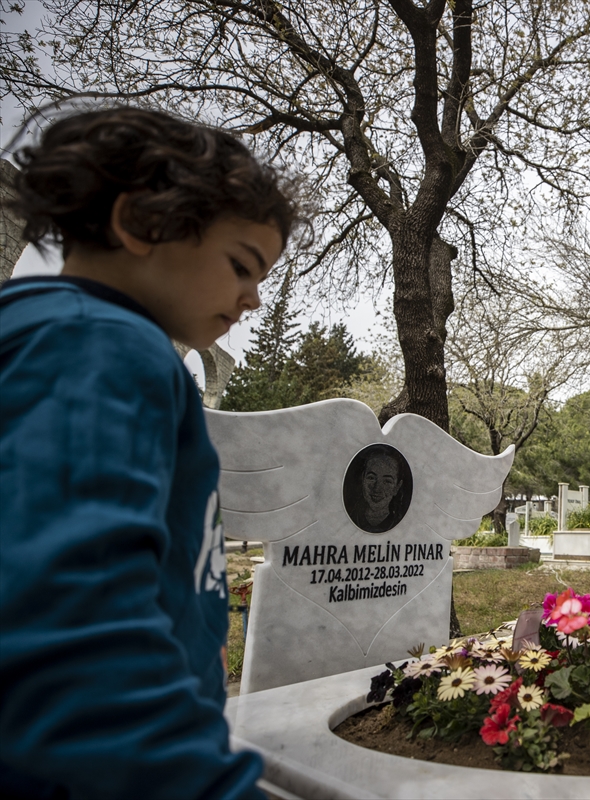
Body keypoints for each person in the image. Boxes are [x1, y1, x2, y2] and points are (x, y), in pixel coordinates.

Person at [0, 106, 298, 798]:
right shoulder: (94, 346)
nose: (253, 299)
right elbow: (75, 637)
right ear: (140, 224)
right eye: (241, 265)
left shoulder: (57, 336)